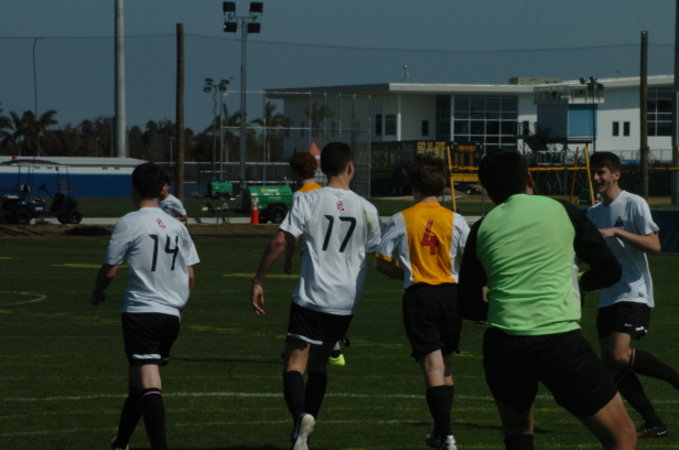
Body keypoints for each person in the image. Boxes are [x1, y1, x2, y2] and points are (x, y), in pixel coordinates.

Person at [458, 151, 636, 450]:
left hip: (503, 343)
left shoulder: (481, 228)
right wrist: (581, 284)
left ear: (488, 190)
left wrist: (495, 308)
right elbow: (609, 270)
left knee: (518, 431)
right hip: (558, 338)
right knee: (622, 436)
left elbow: (466, 304)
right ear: (529, 178)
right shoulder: (562, 210)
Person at [250, 142, 381, 450]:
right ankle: (303, 437)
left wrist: (258, 279)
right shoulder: (368, 208)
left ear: (323, 169)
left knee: (295, 362)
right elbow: (375, 251)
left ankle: (301, 417)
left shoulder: (308, 199)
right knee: (320, 365)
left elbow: (281, 240)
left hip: (312, 295)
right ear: (350, 167)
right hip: (346, 301)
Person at [90, 162, 200, 450]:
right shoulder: (177, 225)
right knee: (137, 381)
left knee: (149, 381)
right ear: (161, 189)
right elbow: (190, 274)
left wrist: (97, 292)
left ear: (134, 189)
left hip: (142, 312)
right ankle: (121, 443)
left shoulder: (129, 221)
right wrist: (180, 308)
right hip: (171, 315)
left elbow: (110, 269)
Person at [375, 155, 469, 450]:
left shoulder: (401, 218)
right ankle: (441, 433)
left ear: (413, 186)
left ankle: (447, 434)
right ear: (442, 188)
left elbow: (381, 261)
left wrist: (403, 274)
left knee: (432, 366)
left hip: (420, 295)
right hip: (451, 295)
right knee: (446, 365)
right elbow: (472, 258)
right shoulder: (455, 218)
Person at [586, 151, 678, 438]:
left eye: (601, 172)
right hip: (608, 295)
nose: (596, 177)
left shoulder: (633, 203)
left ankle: (675, 379)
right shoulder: (592, 213)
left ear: (616, 174)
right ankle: (654, 422)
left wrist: (618, 232)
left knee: (618, 355)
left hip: (633, 290)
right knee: (612, 363)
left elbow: (655, 245)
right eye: (594, 172)